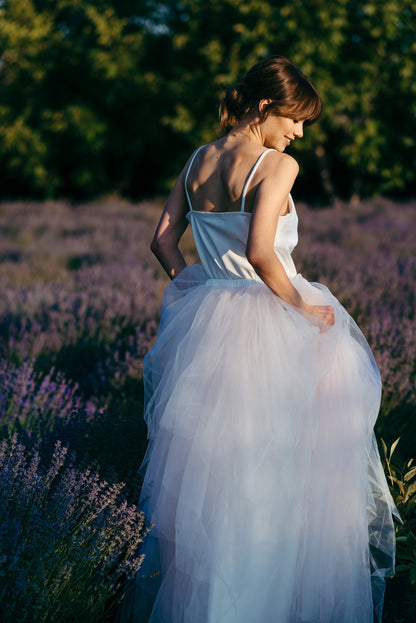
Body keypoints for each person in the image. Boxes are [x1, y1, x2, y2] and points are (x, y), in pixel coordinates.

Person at [120, 56, 398, 623]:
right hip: (274, 326)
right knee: (279, 481)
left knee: (216, 482)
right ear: (266, 107)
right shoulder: (277, 166)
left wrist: (201, 287)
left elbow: (162, 242)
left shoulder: (197, 159)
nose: (298, 133)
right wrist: (306, 308)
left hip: (211, 328)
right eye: (296, 120)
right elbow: (261, 254)